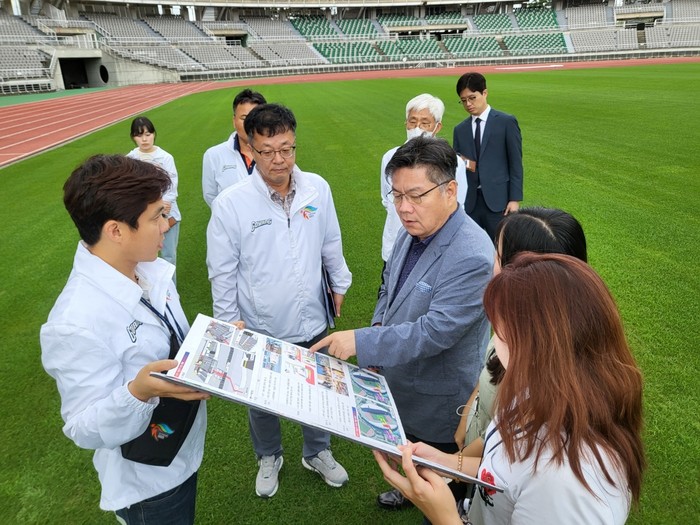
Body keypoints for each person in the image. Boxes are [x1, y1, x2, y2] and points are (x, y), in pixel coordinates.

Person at [374, 253, 645, 525]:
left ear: (538, 346)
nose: (494, 340)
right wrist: (446, 463)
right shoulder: (535, 390)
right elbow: (503, 476)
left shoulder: (567, 484)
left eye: (501, 332)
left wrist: (445, 518)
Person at [311, 136, 493, 515]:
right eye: (396, 196)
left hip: (440, 403)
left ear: (450, 190)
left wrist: (365, 342)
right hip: (401, 387)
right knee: (408, 455)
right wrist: (378, 334)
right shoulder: (409, 230)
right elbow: (388, 289)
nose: (404, 208)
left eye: (415, 196)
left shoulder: (472, 254)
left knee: (442, 489)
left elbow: (435, 332)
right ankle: (410, 486)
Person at [41, 155, 212, 524]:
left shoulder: (147, 268)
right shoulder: (74, 321)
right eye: (156, 216)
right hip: (147, 488)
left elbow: (170, 338)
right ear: (116, 231)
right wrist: (138, 392)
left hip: (181, 450)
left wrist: (218, 341)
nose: (168, 223)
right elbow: (82, 427)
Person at [206, 103, 353, 499]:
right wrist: (228, 323)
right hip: (261, 323)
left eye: (286, 149)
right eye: (268, 151)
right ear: (250, 149)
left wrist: (339, 283)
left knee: (317, 389)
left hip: (313, 316)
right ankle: (269, 456)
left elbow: (331, 240)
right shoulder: (231, 203)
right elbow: (221, 271)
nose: (279, 160)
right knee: (261, 397)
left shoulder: (317, 188)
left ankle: (317, 451)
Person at [453, 207, 588, 460]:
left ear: (523, 273)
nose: (491, 263)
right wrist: (468, 414)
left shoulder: (549, 368)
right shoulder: (514, 323)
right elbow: (490, 369)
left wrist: (456, 463)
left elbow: (505, 437)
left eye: (498, 256)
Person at [380, 94, 468, 263]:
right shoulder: (389, 157)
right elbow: (387, 198)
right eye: (412, 122)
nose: (417, 128)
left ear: (437, 126)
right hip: (394, 246)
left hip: (436, 250)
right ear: (406, 123)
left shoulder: (453, 162)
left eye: (425, 123)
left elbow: (458, 205)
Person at [453, 72, 523, 242]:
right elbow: (458, 165)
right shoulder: (460, 130)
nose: (468, 104)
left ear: (485, 93)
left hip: (499, 202)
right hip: (470, 203)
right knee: (471, 247)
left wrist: (514, 199)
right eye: (463, 100)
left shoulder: (506, 122)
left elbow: (515, 163)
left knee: (501, 247)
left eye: (472, 98)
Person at [126, 116, 181, 280]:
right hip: (142, 215)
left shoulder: (165, 157)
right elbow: (129, 189)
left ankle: (171, 292)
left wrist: (163, 205)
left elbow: (172, 187)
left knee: (169, 256)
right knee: (143, 258)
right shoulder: (129, 160)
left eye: (148, 134)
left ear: (154, 134)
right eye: (139, 135)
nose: (144, 139)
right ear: (133, 137)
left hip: (167, 215)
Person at [202, 88, 267, 207]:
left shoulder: (278, 153)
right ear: (234, 121)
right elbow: (211, 196)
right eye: (244, 118)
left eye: (255, 117)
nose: (249, 124)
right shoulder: (213, 155)